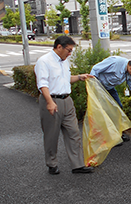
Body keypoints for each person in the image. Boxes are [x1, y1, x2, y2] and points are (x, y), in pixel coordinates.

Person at [34, 36, 94, 175]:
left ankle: (78, 165)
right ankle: (52, 164)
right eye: (69, 50)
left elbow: (65, 79)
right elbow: (43, 84)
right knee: (51, 135)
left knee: (74, 133)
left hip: (67, 100)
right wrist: (49, 102)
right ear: (59, 47)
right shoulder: (44, 61)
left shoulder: (64, 62)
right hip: (51, 101)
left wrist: (79, 77)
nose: (70, 53)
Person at [90, 56, 131, 142]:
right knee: (102, 111)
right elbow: (95, 69)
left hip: (110, 88)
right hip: (98, 86)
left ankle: (118, 134)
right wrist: (93, 86)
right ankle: (103, 137)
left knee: (118, 108)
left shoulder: (129, 73)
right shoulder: (115, 62)